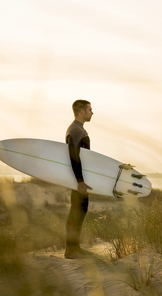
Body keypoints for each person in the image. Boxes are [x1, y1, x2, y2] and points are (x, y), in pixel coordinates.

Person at [64, 99, 94, 259]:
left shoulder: (79, 129)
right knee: (76, 212)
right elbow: (74, 156)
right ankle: (70, 250)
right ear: (82, 112)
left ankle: (75, 247)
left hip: (80, 179)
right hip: (78, 180)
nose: (92, 112)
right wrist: (80, 181)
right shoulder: (75, 130)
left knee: (81, 211)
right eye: (90, 109)